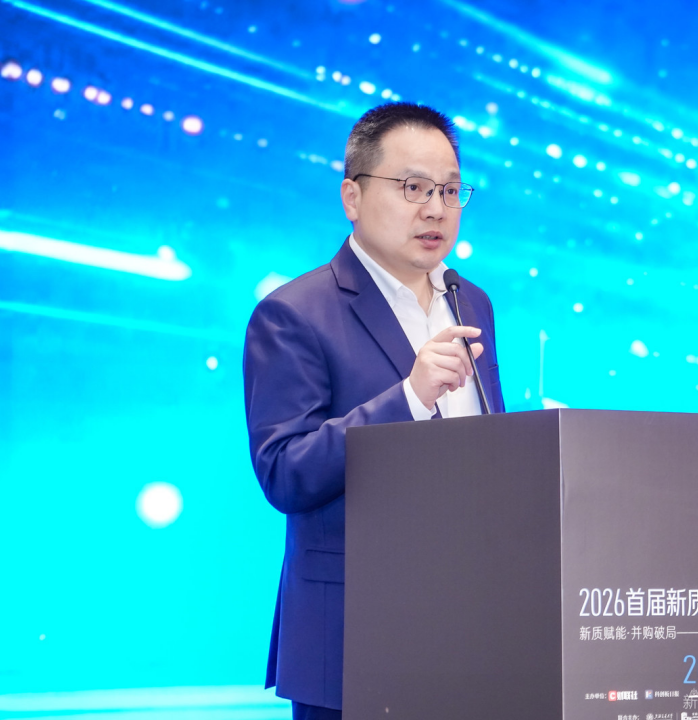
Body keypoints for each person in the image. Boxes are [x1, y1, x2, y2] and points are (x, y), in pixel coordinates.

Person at [243, 102, 505, 720]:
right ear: (352, 198)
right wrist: (410, 397)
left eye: (450, 190)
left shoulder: (472, 302)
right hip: (354, 640)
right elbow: (285, 472)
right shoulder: (294, 314)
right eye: (413, 187)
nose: (436, 208)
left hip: (474, 628)